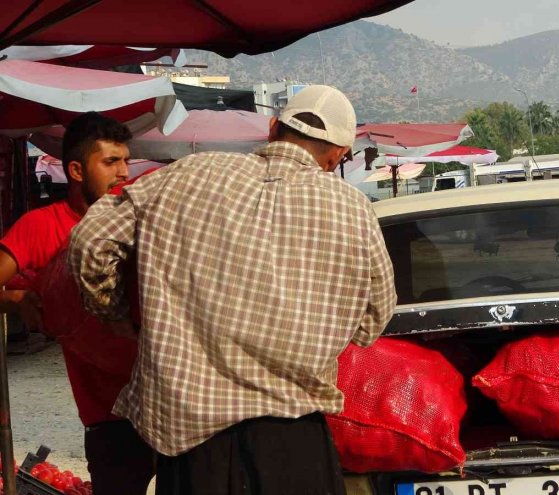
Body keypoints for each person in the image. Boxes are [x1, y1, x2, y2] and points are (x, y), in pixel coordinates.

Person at [68, 85, 397, 495]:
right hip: (295, 441)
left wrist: (118, 314)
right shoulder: (352, 208)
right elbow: (374, 318)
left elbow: (90, 240)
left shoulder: (189, 173)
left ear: (273, 127)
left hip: (193, 443)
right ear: (338, 154)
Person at [0, 112, 155, 494]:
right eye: (109, 162)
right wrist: (17, 299)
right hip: (110, 414)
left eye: (125, 160)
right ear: (76, 170)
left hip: (170, 395)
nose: (122, 172)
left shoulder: (143, 215)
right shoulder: (42, 225)